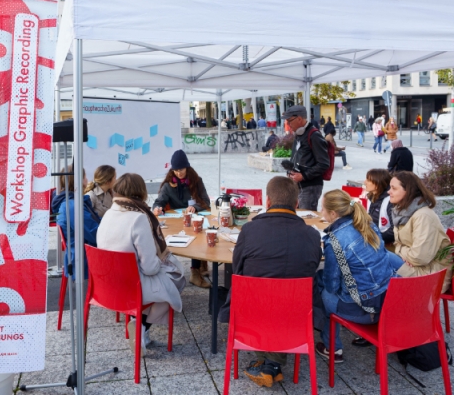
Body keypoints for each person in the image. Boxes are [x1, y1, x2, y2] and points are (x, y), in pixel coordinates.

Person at [219, 177, 322, 388]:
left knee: (244, 293)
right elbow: (311, 268)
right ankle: (271, 364)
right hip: (296, 313)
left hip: (253, 310)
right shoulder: (312, 235)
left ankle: (269, 363)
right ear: (296, 204)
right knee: (283, 296)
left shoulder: (249, 231)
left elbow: (237, 270)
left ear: (267, 201)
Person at [97, 173, 185, 352]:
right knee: (177, 280)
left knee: (163, 282)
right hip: (131, 285)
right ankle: (142, 326)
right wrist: (162, 262)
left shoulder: (108, 214)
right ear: (141, 192)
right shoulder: (139, 218)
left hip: (105, 285)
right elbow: (150, 268)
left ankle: (139, 325)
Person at [315, 189, 396, 362]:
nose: (321, 212)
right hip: (388, 302)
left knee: (321, 290)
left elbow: (332, 286)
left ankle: (333, 348)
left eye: (323, 208)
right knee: (323, 278)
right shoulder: (368, 224)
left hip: (364, 309)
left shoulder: (334, 241)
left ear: (333, 213)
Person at [153, 150, 211, 288]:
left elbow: (206, 201)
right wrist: (157, 208)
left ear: (187, 167)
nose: (179, 173)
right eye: (176, 170)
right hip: (176, 220)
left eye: (182, 169)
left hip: (194, 218)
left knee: (197, 235)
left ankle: (195, 271)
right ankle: (196, 266)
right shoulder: (168, 185)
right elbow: (159, 202)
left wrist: (195, 207)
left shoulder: (196, 181)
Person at [387, 172, 453, 293]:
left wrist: (401, 251)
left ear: (408, 191)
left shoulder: (423, 216)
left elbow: (419, 258)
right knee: (375, 259)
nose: (389, 191)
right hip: (417, 267)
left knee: (379, 259)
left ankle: (375, 301)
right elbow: (398, 244)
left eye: (393, 188)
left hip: (430, 275)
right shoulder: (402, 212)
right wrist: (405, 254)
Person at [57, 167, 100, 293]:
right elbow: (94, 234)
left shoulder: (70, 202)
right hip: (85, 257)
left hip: (80, 253)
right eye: (85, 176)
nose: (87, 179)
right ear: (80, 180)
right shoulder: (74, 206)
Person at [281, 105, 330, 210]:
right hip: (299, 185)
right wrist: (290, 171)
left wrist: (304, 176)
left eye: (289, 121)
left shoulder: (314, 135)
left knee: (306, 217)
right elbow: (297, 157)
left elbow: (324, 164)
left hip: (310, 186)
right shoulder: (299, 134)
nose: (288, 125)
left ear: (299, 119)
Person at [364, 169, 394, 246]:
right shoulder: (370, 196)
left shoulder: (390, 201)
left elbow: (394, 230)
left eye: (368, 180)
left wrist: (375, 238)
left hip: (384, 243)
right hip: (372, 239)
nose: (365, 182)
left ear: (377, 183)